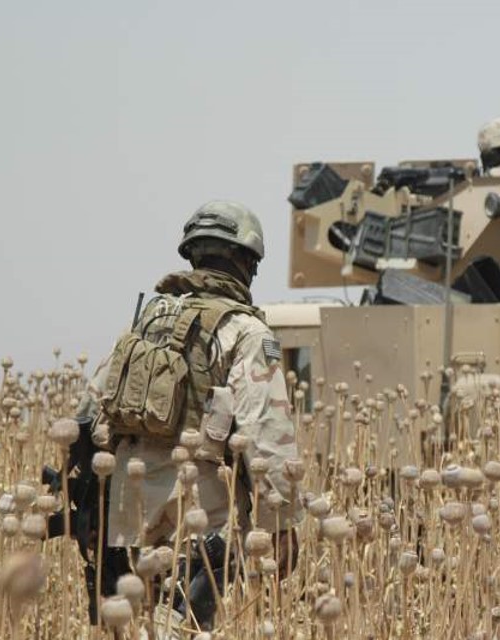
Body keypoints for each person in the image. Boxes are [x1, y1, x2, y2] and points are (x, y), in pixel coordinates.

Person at [76, 200, 302, 633]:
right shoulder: (247, 332)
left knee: (139, 622)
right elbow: (265, 432)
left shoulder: (148, 321)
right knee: (185, 623)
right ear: (246, 261)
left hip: (129, 497)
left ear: (194, 255)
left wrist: (89, 506)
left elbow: (90, 411)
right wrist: (281, 524)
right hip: (198, 502)